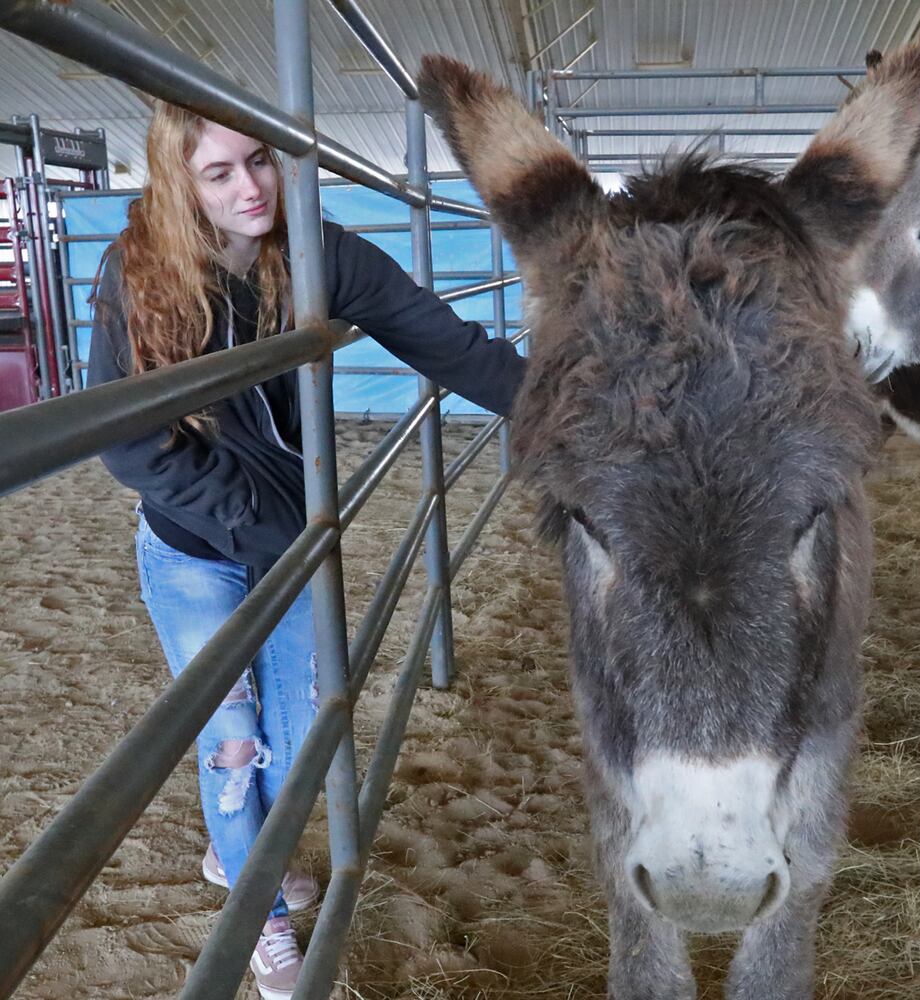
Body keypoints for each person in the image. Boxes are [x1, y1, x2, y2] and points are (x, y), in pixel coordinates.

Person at [87, 103, 524, 1000]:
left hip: (287, 546)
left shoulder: (317, 256)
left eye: (260, 160)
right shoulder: (134, 273)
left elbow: (448, 344)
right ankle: (263, 924)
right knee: (234, 745)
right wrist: (253, 518)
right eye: (220, 173)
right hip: (196, 552)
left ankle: (245, 851)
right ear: (181, 183)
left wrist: (583, 405)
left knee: (296, 742)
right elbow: (129, 444)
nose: (251, 187)